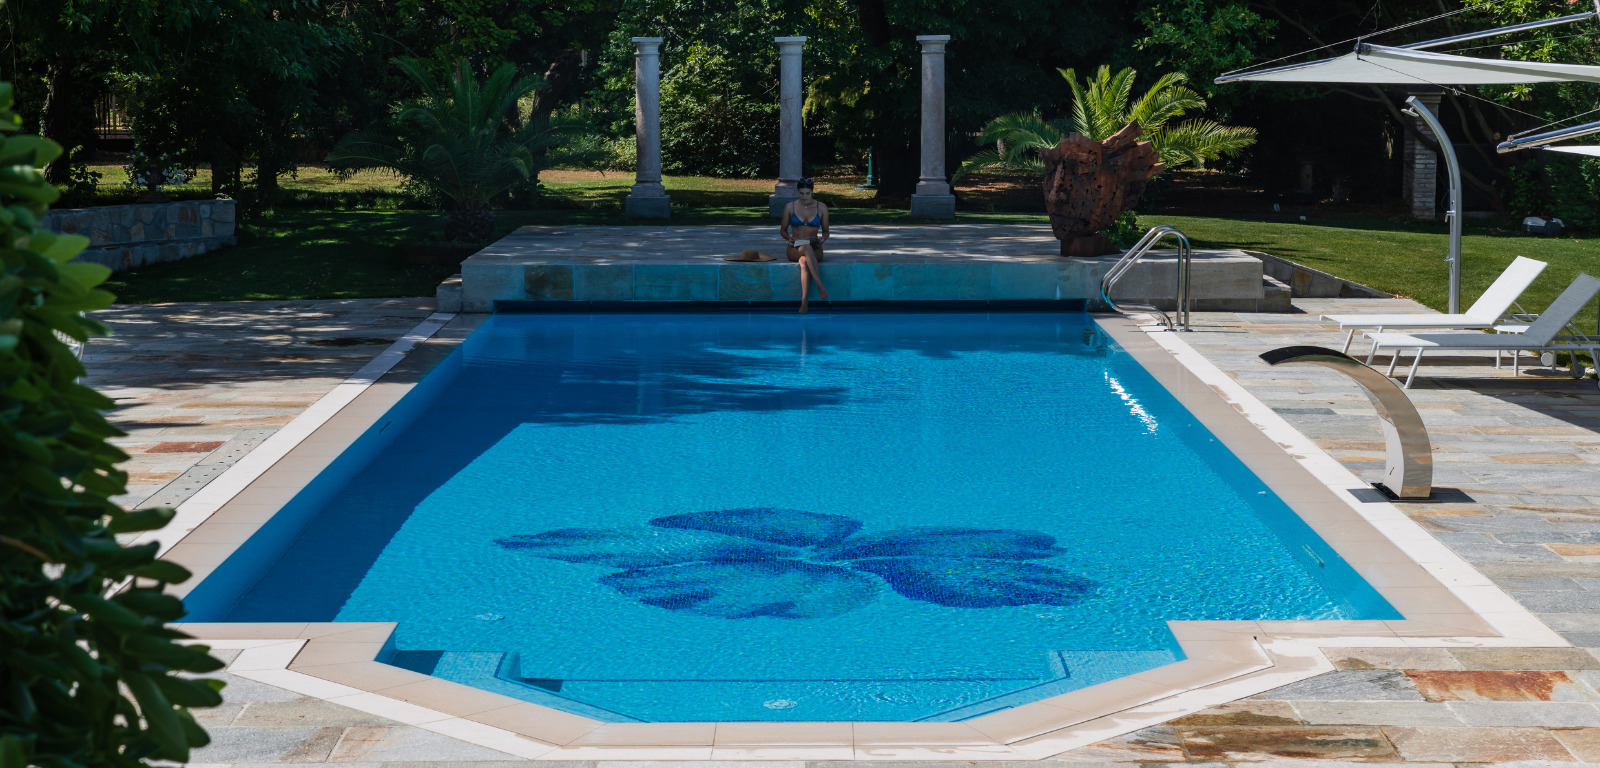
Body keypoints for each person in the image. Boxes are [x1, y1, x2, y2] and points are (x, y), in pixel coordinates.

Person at [779, 178, 830, 313]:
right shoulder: (790, 207)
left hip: (815, 247)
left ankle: (804, 303)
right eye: (801, 193)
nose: (804, 197)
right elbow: (782, 230)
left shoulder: (822, 207)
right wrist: (788, 238)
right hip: (795, 247)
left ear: (812, 192)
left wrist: (822, 240)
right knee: (805, 249)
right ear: (798, 192)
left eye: (807, 193)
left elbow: (826, 232)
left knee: (804, 262)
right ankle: (820, 285)